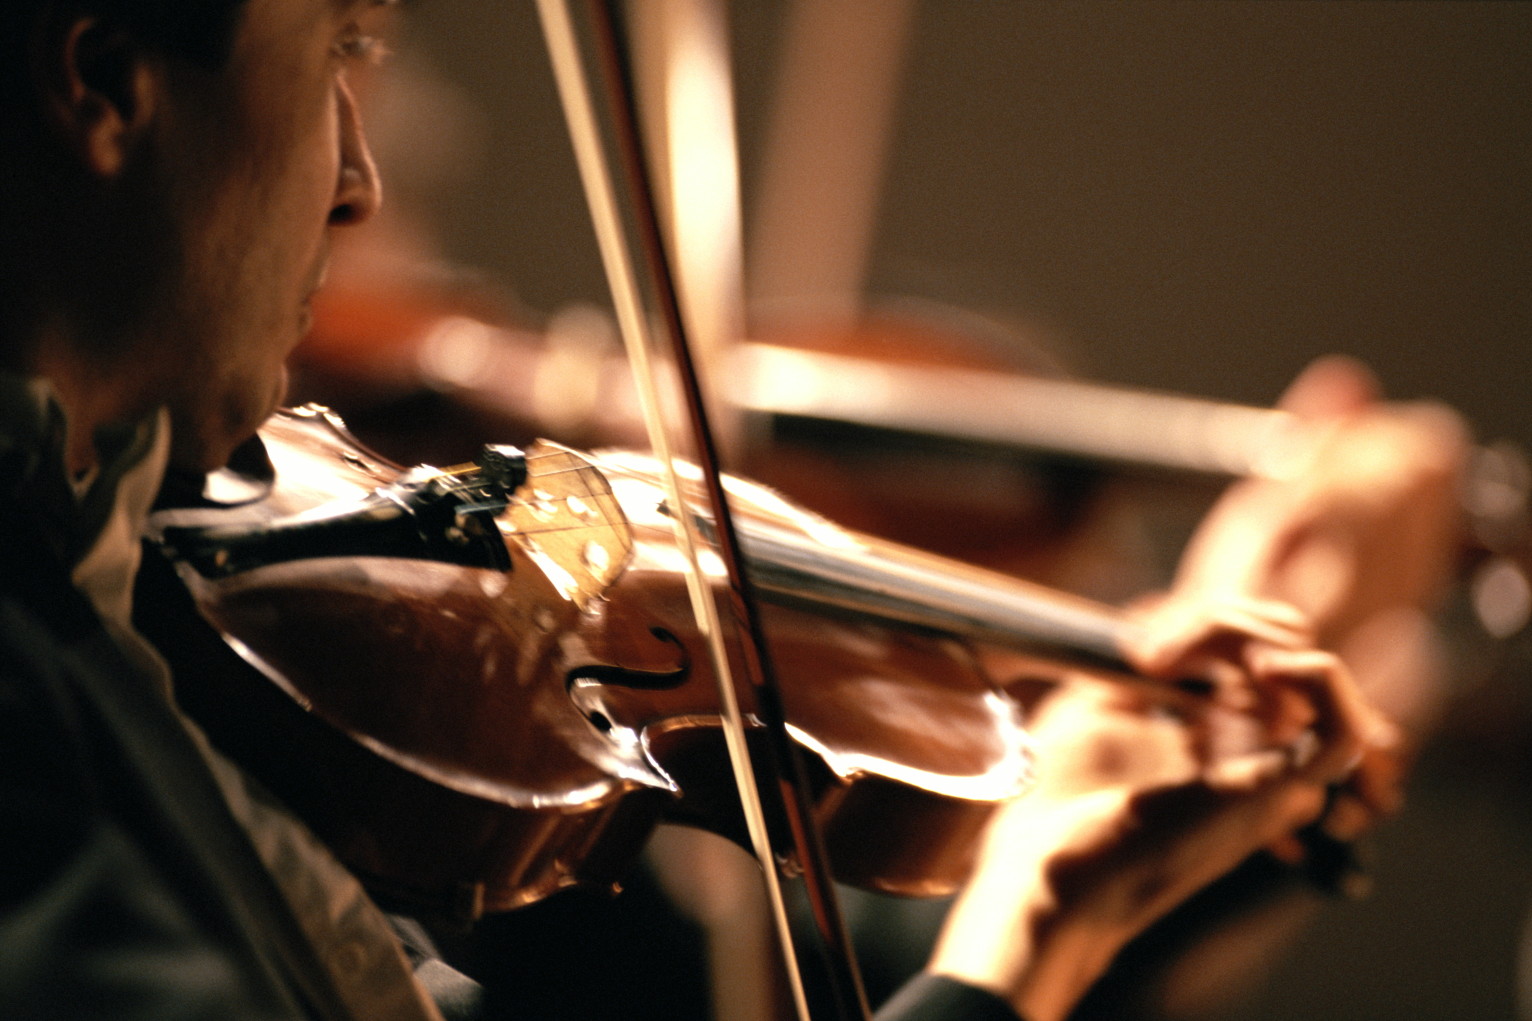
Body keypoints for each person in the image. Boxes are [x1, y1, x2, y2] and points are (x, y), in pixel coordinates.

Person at [0, 2, 1396, 1020]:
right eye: (333, 54)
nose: (356, 181)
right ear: (106, 80)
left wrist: (1052, 911)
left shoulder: (86, 597)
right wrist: (1016, 949)